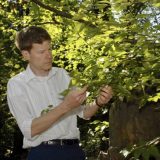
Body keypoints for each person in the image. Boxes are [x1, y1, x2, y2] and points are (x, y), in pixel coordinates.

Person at [7, 26, 113, 160]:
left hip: (75, 151)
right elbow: (30, 130)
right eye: (41, 52)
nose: (49, 55)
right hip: (43, 153)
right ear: (26, 54)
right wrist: (66, 106)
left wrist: (98, 101)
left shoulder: (63, 75)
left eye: (50, 49)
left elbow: (84, 113)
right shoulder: (17, 84)